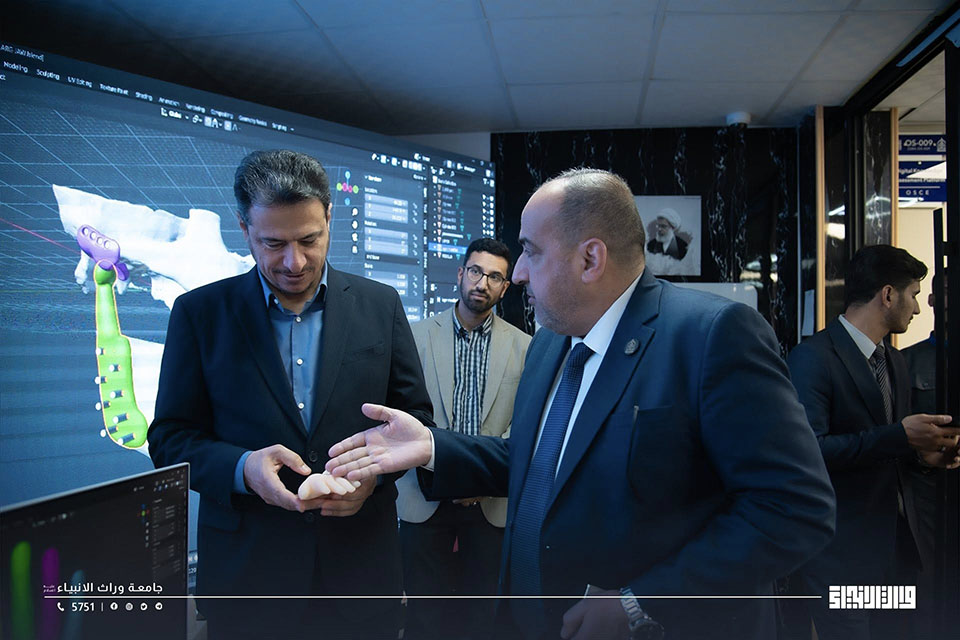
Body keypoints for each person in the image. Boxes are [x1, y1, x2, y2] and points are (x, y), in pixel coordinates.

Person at [326, 168, 836, 640]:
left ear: (590, 259)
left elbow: (794, 508)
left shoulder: (711, 336)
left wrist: (641, 603)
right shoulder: (551, 341)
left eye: (530, 252)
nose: (518, 274)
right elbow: (540, 462)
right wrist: (432, 446)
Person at [147, 149, 434, 640]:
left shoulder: (380, 305)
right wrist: (243, 469)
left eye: (309, 239)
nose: (294, 262)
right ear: (244, 229)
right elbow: (170, 439)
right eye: (273, 243)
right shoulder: (199, 314)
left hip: (361, 574)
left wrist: (372, 476)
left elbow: (413, 420)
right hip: (249, 581)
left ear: (329, 219)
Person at [787, 246, 959, 640]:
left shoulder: (894, 361)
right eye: (914, 294)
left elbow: (889, 452)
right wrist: (900, 436)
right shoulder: (813, 358)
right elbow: (810, 452)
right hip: (842, 554)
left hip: (896, 552)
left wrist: (924, 456)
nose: (918, 308)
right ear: (888, 295)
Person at [399, 237, 531, 640]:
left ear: (505, 288)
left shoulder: (526, 347)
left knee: (482, 619)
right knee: (424, 620)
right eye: (476, 271)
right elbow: (404, 410)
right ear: (460, 274)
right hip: (424, 498)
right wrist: (448, 473)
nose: (482, 283)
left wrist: (480, 477)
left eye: (495, 277)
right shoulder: (415, 336)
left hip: (489, 503)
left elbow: (524, 423)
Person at [901, 271, 949, 640]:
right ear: (932, 301)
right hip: (927, 496)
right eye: (945, 292)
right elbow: (891, 437)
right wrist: (922, 458)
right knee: (927, 592)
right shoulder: (906, 363)